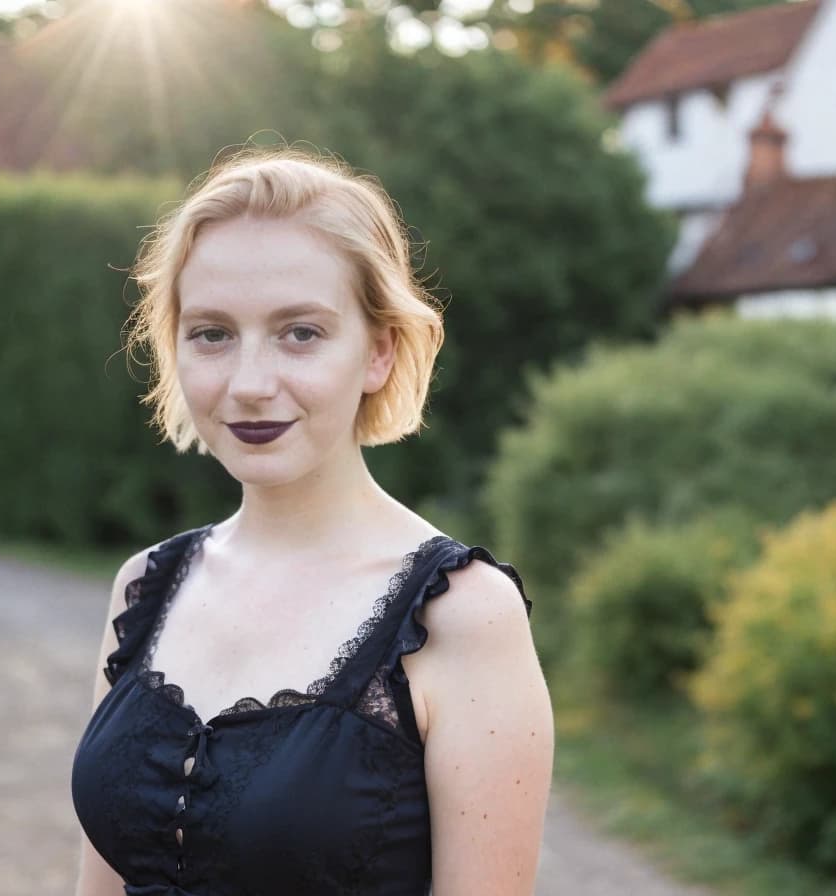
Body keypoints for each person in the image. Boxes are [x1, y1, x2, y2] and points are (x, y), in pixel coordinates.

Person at [70, 147, 554, 896]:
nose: (250, 385)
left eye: (300, 333)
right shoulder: (146, 587)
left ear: (379, 353)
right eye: (212, 333)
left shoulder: (463, 614)